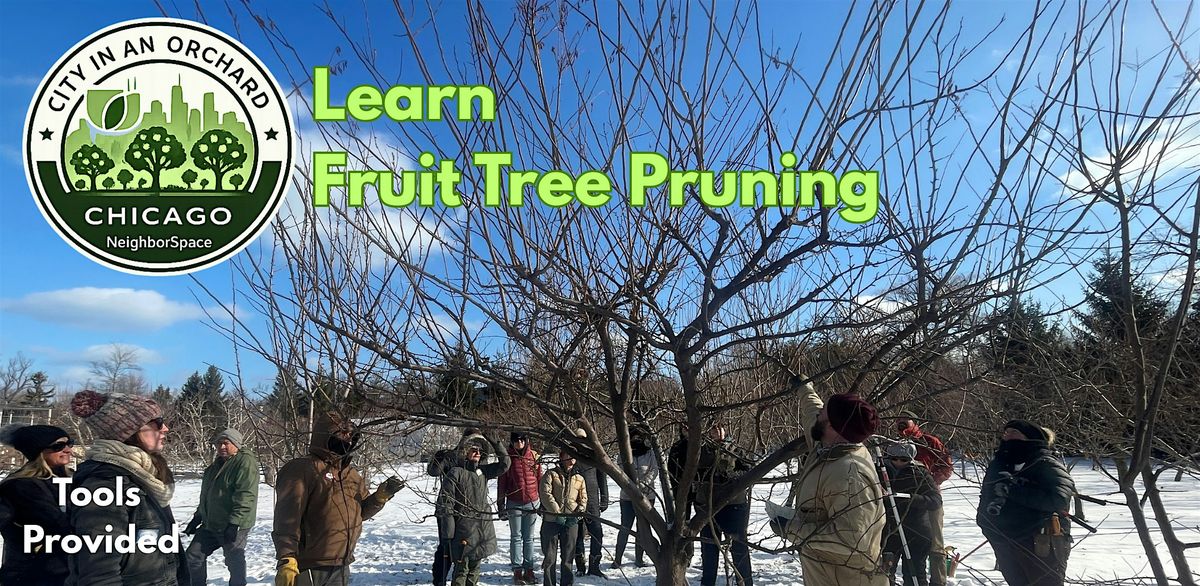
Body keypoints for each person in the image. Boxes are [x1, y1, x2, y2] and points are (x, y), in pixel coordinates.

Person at [273, 412, 405, 586]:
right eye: (342, 432)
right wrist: (286, 557)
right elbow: (287, 518)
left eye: (351, 434)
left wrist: (379, 499)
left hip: (341, 564)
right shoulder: (303, 469)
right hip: (308, 565)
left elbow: (359, 513)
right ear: (326, 434)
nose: (348, 438)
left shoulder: (351, 475)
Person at [67, 389, 184, 585]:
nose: (165, 428)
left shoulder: (144, 476)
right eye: (157, 422)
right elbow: (100, 576)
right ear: (129, 431)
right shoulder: (105, 486)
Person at [782, 380, 888, 585]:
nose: (819, 413)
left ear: (831, 425)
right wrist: (805, 388)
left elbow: (851, 540)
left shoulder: (850, 476)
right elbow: (812, 411)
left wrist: (790, 529)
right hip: (825, 575)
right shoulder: (827, 446)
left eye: (824, 412)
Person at [977, 420, 1074, 586]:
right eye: (1006, 432)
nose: (1008, 436)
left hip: (1040, 540)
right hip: (1003, 539)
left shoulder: (1046, 463)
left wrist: (1013, 490)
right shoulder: (1000, 463)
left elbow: (1059, 499)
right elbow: (987, 494)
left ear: (1030, 437)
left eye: (1014, 432)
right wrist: (985, 523)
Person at [0, 424, 75, 585]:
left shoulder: (75, 480)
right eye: (58, 446)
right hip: (34, 574)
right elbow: (60, 526)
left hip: (68, 572)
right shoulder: (21, 486)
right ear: (38, 451)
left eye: (70, 443)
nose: (68, 450)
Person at [183, 428, 259, 586]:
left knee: (234, 560)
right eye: (219, 443)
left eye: (226, 443)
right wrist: (198, 517)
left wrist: (234, 523)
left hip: (232, 524)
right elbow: (207, 496)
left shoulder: (244, 462)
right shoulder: (215, 466)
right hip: (211, 523)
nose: (221, 447)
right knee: (193, 556)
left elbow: (246, 495)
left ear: (236, 444)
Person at [436, 431, 511, 586]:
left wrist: (495, 441)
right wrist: (448, 531)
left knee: (475, 569)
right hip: (462, 529)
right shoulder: (456, 472)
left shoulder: (483, 472)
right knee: (461, 570)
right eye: (474, 450)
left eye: (480, 451)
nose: (477, 453)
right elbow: (446, 503)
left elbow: (505, 464)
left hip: (482, 528)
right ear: (466, 452)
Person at [896, 411, 953, 586]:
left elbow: (946, 466)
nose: (901, 423)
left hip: (929, 499)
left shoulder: (929, 441)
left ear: (914, 422)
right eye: (898, 420)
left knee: (935, 541)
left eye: (905, 420)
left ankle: (938, 581)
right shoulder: (894, 444)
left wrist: (931, 482)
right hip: (903, 500)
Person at [694, 422, 753, 586]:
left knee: (739, 547)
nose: (717, 432)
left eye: (720, 428)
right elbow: (693, 473)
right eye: (713, 429)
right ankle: (707, 582)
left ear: (725, 430)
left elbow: (748, 470)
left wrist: (731, 476)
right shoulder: (702, 450)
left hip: (733, 505)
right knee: (709, 549)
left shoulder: (735, 449)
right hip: (708, 505)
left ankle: (745, 582)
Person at [882, 441, 942, 586]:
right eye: (894, 459)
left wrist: (911, 499)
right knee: (884, 574)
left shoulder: (920, 473)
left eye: (903, 460)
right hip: (889, 530)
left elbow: (935, 501)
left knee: (914, 573)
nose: (898, 462)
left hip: (916, 530)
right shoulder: (880, 471)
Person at [498, 432, 542, 584]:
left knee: (529, 538)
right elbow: (502, 483)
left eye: (522, 439)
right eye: (516, 440)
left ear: (526, 440)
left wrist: (542, 501)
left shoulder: (534, 457)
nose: (520, 443)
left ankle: (529, 569)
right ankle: (517, 570)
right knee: (516, 537)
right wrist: (501, 504)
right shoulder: (507, 458)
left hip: (532, 502)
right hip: (514, 502)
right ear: (512, 442)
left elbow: (540, 479)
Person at [612, 427, 658, 569]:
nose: (636, 440)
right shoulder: (623, 454)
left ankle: (639, 558)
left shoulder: (650, 453)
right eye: (633, 437)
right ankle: (618, 558)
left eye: (639, 437)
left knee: (642, 527)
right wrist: (632, 486)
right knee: (625, 526)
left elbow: (654, 470)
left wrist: (643, 484)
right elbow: (619, 472)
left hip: (647, 495)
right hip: (628, 496)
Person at [540, 449, 587, 586]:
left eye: (574, 457)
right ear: (562, 456)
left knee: (568, 557)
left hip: (571, 521)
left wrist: (577, 515)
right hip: (551, 520)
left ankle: (567, 583)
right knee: (550, 557)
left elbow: (583, 499)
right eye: (569, 455)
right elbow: (545, 494)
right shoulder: (551, 474)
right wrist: (557, 513)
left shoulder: (579, 478)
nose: (572, 459)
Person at [571, 429, 609, 577]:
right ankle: (580, 566)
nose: (581, 441)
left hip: (592, 501)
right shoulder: (570, 455)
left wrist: (604, 497)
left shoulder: (594, 454)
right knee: (578, 536)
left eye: (583, 438)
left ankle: (595, 566)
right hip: (575, 502)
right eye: (578, 438)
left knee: (597, 533)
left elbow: (602, 477)